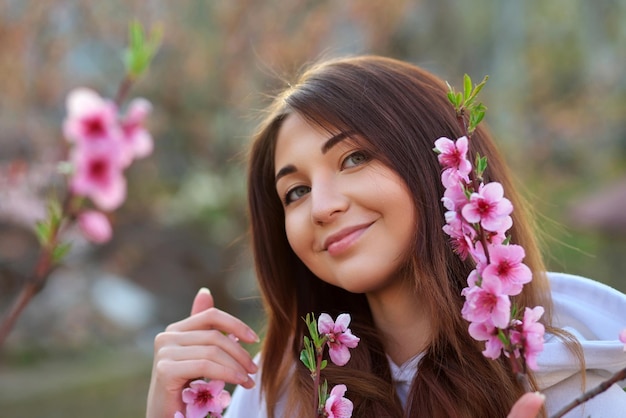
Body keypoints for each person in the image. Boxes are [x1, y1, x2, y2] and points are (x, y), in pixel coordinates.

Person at [146, 56, 626, 417]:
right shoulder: (277, 394)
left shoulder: (578, 360)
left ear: (442, 165)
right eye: (295, 191)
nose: (323, 205)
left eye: (354, 158)